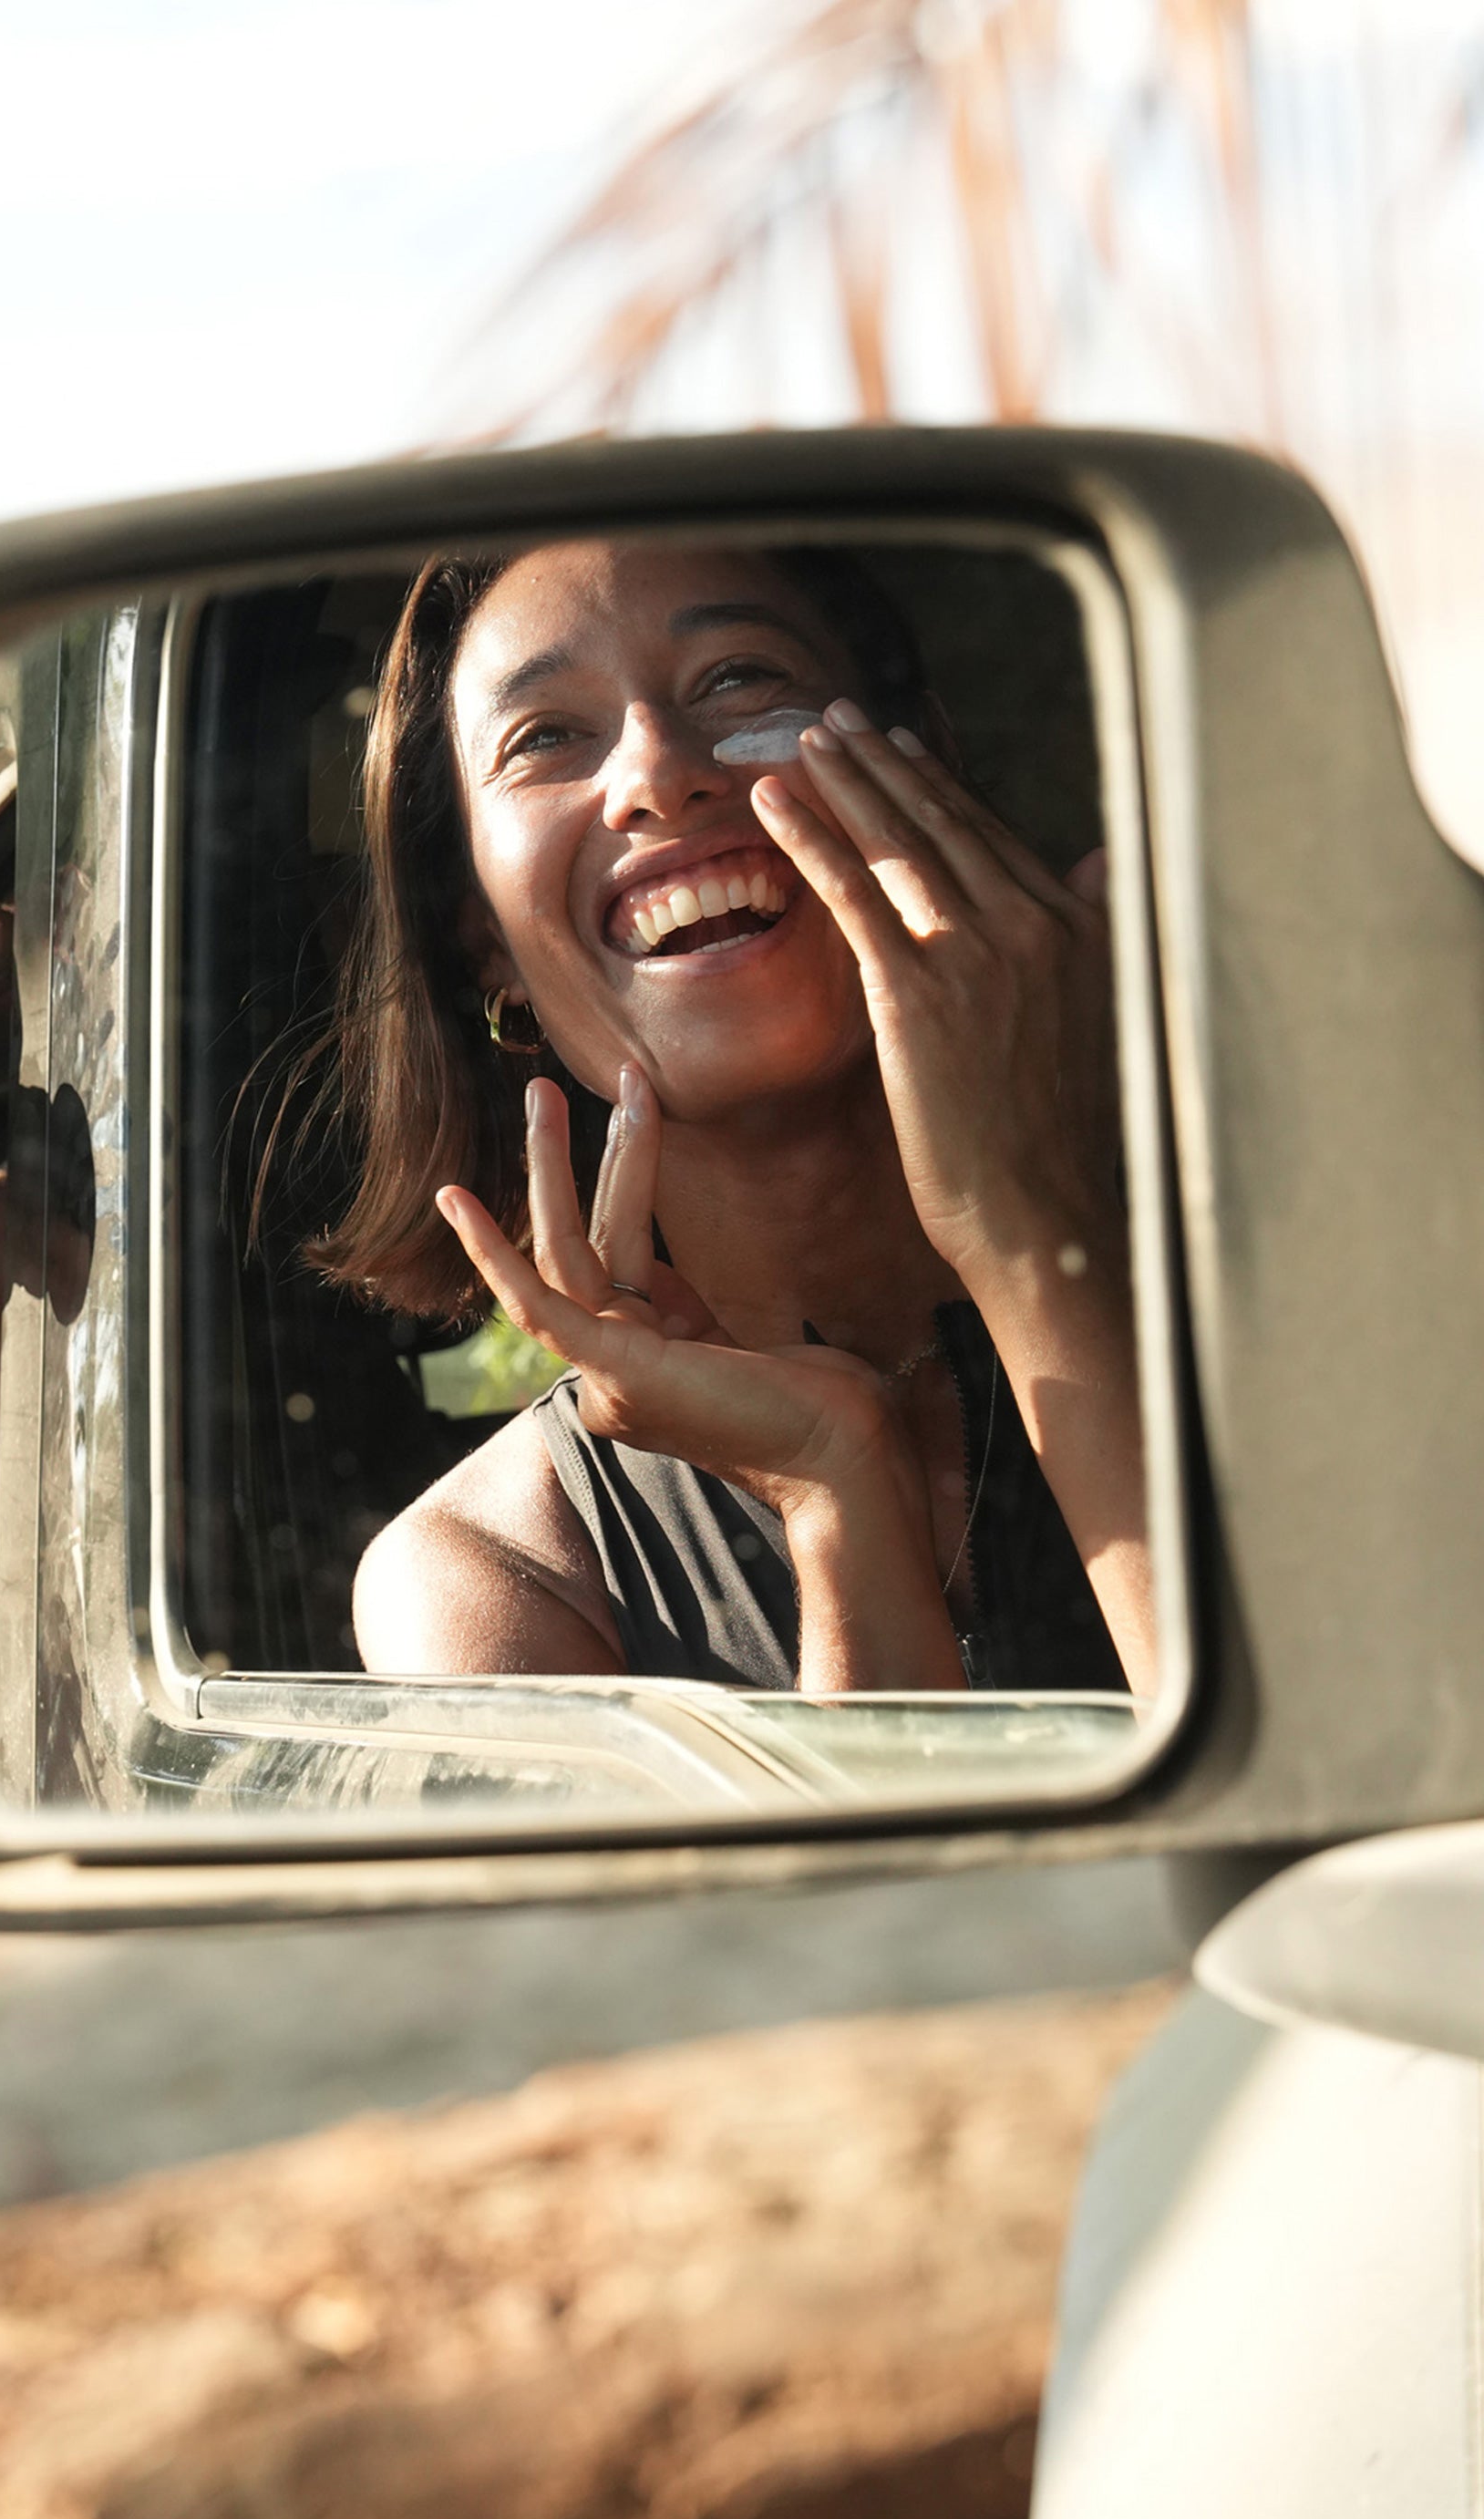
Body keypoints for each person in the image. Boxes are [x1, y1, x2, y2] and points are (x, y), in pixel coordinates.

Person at [307, 539, 1154, 1697]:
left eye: (737, 678)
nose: (657, 769)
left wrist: (1028, 1239)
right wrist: (829, 1488)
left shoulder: (1297, 1267)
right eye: (545, 736)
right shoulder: (493, 1572)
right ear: (485, 942)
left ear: (922, 778)